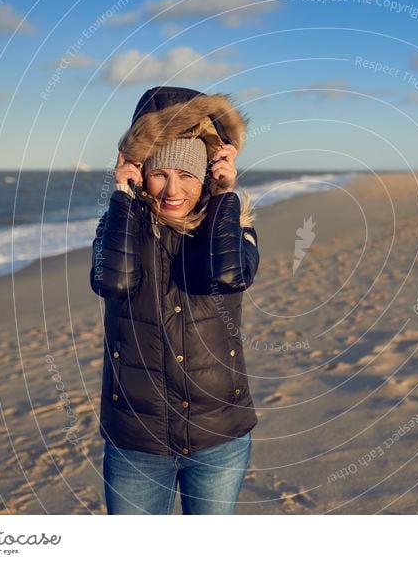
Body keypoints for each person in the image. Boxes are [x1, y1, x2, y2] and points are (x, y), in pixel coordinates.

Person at [89, 86, 260, 515]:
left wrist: (224, 194)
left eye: (187, 175)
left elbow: (228, 275)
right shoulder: (117, 227)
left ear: (204, 176)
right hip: (137, 439)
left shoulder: (234, 224)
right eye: (159, 173)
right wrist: (124, 194)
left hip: (218, 435)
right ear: (142, 172)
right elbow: (112, 280)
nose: (173, 190)